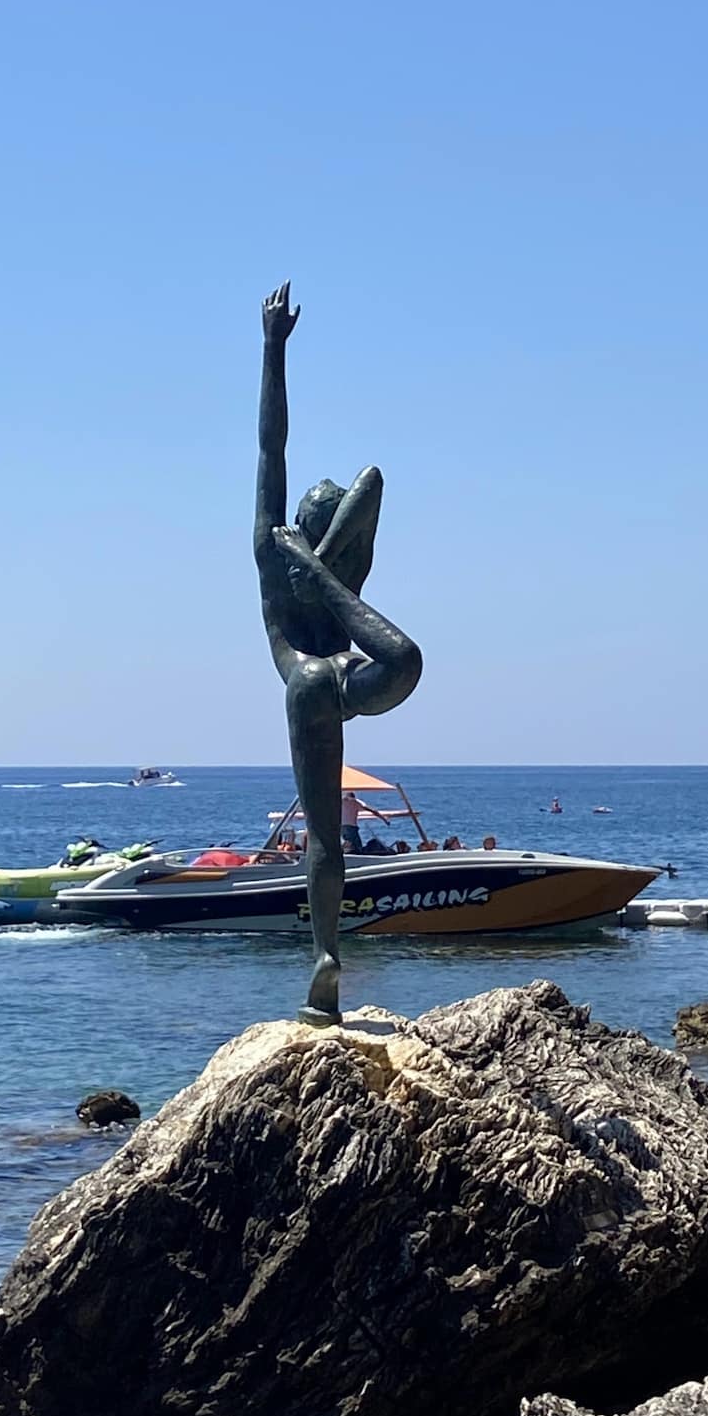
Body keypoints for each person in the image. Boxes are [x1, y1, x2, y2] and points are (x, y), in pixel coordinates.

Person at [255, 283, 423, 1021]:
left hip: (305, 685)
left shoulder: (271, 550)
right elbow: (373, 483)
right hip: (347, 674)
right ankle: (325, 960)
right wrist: (328, 566)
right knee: (408, 659)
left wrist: (272, 347)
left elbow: (272, 447)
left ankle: (326, 956)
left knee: (326, 836)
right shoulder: (347, 570)